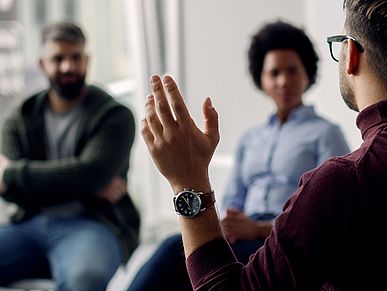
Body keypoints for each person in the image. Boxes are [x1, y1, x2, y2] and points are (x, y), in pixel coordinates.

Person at [141, 0, 387, 289]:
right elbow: (233, 201)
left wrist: (187, 182)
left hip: (274, 238)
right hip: (254, 240)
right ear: (262, 79)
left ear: (350, 57)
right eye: (274, 73)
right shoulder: (251, 139)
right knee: (173, 251)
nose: (283, 81)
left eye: (292, 71)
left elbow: (323, 222)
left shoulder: (339, 165)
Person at [0, 22, 140, 291]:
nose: (68, 66)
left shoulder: (115, 115)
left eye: (76, 57)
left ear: (87, 60)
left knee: (84, 280)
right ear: (42, 64)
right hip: (27, 225)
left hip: (92, 224)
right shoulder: (18, 119)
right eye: (58, 58)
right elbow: (10, 193)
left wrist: (13, 174)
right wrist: (84, 182)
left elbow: (91, 173)